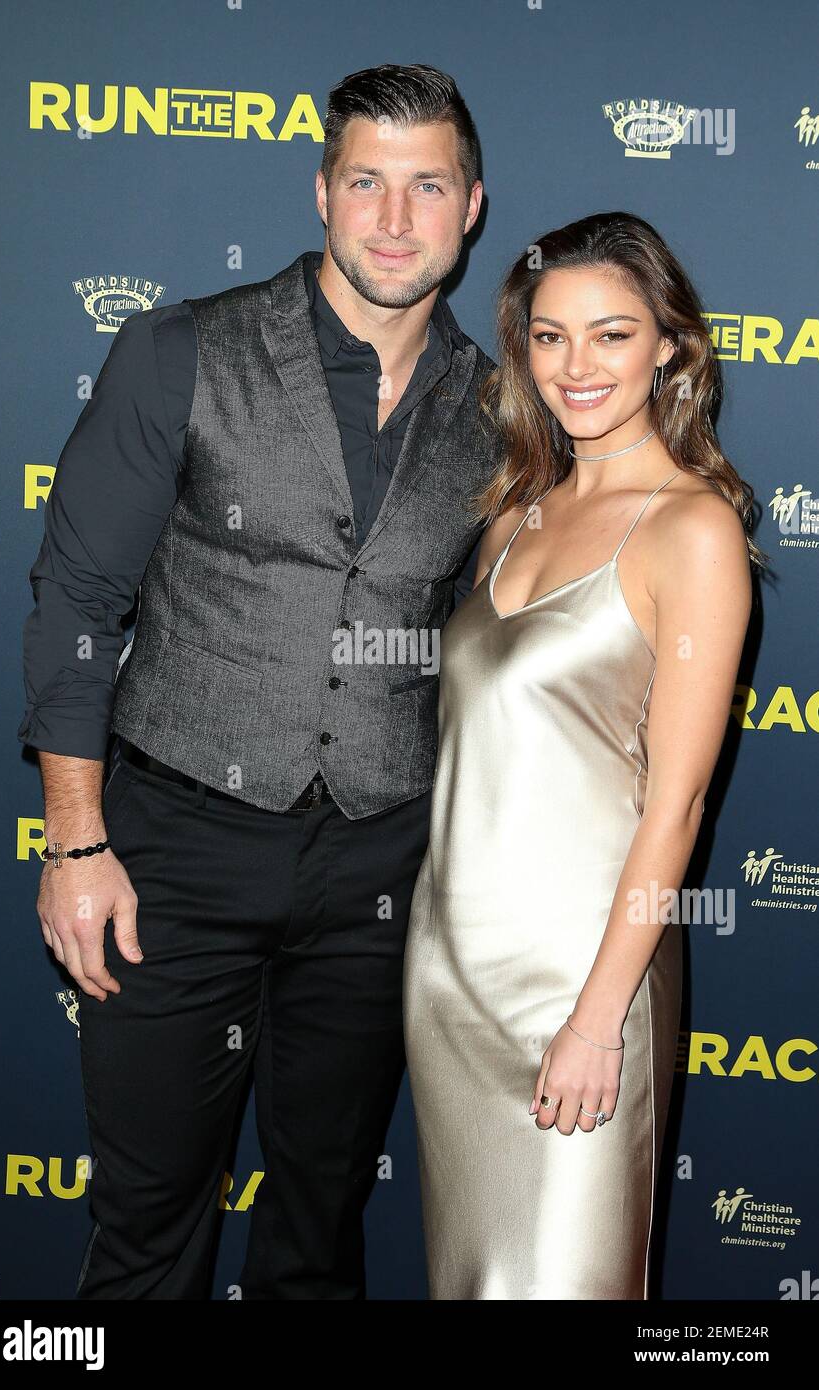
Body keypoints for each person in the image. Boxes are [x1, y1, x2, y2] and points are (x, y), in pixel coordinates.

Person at [18, 63, 498, 1299]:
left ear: (471, 206)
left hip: (378, 869)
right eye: (366, 184)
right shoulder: (181, 349)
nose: (394, 220)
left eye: (425, 186)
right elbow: (79, 604)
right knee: (148, 1225)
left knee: (319, 1218)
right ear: (322, 194)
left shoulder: (500, 408)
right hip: (174, 848)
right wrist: (77, 842)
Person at [403, 211, 763, 1300]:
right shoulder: (513, 508)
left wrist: (599, 1018)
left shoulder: (689, 529)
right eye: (548, 337)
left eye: (610, 335)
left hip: (579, 976)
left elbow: (677, 803)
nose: (575, 366)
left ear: (668, 346)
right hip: (449, 970)